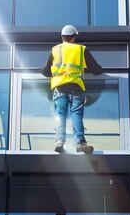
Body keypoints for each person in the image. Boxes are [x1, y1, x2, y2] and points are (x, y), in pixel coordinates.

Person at [41, 25, 103, 153]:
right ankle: (80, 142)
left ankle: (59, 141)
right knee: (76, 113)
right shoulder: (81, 49)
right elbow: (96, 69)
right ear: (73, 38)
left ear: (62, 37)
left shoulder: (55, 49)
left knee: (60, 113)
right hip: (76, 86)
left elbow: (44, 71)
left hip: (59, 86)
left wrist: (57, 73)